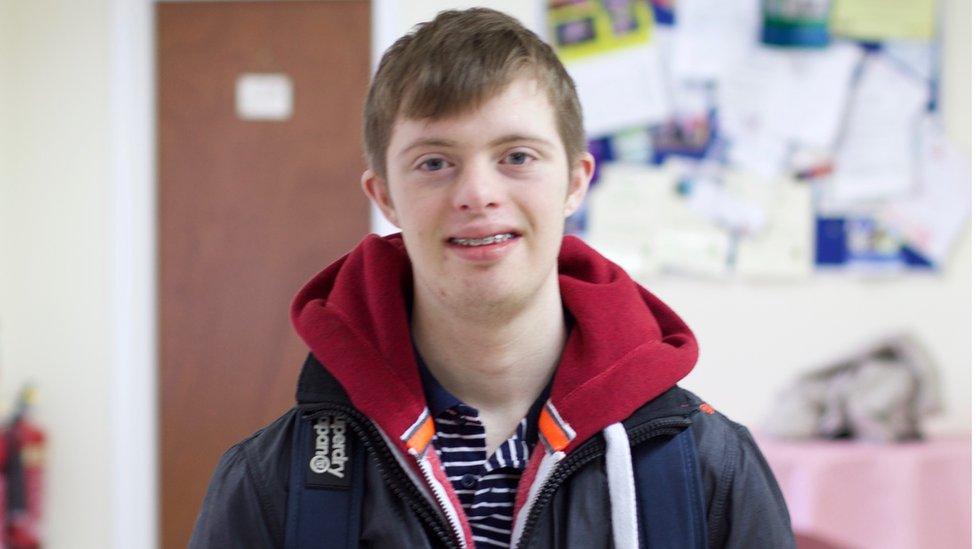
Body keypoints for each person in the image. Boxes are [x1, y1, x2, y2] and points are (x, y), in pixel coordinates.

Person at [189, 8, 794, 549]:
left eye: (517, 157)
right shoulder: (272, 482)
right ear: (386, 197)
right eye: (434, 163)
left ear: (576, 181)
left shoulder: (711, 470)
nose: (478, 194)